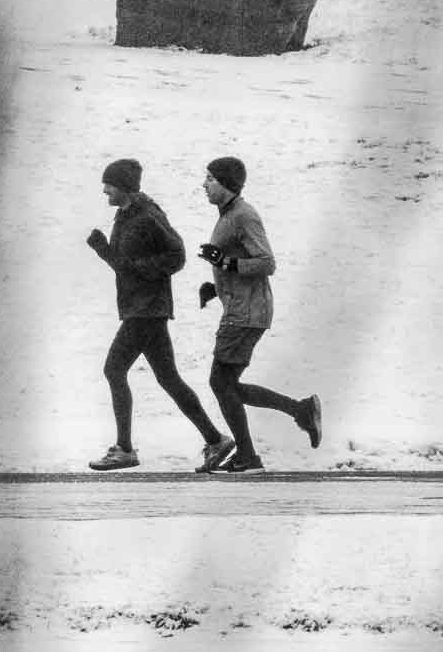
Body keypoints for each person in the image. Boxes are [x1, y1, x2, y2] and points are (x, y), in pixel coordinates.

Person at [84, 158, 233, 472]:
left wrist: (144, 272)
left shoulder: (148, 215)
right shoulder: (124, 215)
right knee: (169, 379)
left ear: (123, 186)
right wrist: (103, 251)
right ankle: (215, 439)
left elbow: (177, 255)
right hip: (141, 309)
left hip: (147, 311)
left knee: (114, 370)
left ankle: (125, 449)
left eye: (108, 184)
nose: (104, 190)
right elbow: (125, 267)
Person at [195, 155, 321, 473]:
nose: (204, 184)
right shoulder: (227, 216)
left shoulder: (244, 216)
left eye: (210, 178)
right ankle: (300, 411)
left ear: (227, 183)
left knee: (221, 383)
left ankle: (250, 456)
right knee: (227, 386)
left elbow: (267, 262)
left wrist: (225, 264)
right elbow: (237, 261)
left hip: (247, 313)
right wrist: (216, 287)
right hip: (240, 308)